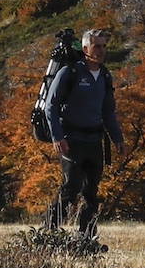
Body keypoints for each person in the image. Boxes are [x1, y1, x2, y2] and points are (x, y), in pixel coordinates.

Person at [44, 27, 123, 241]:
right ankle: (49, 232)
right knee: (71, 187)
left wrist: (117, 137)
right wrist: (57, 137)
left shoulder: (105, 76)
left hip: (94, 140)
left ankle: (86, 236)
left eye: (104, 46)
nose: (101, 51)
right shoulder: (69, 72)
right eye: (97, 46)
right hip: (71, 140)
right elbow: (50, 106)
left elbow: (108, 111)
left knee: (91, 191)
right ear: (86, 47)